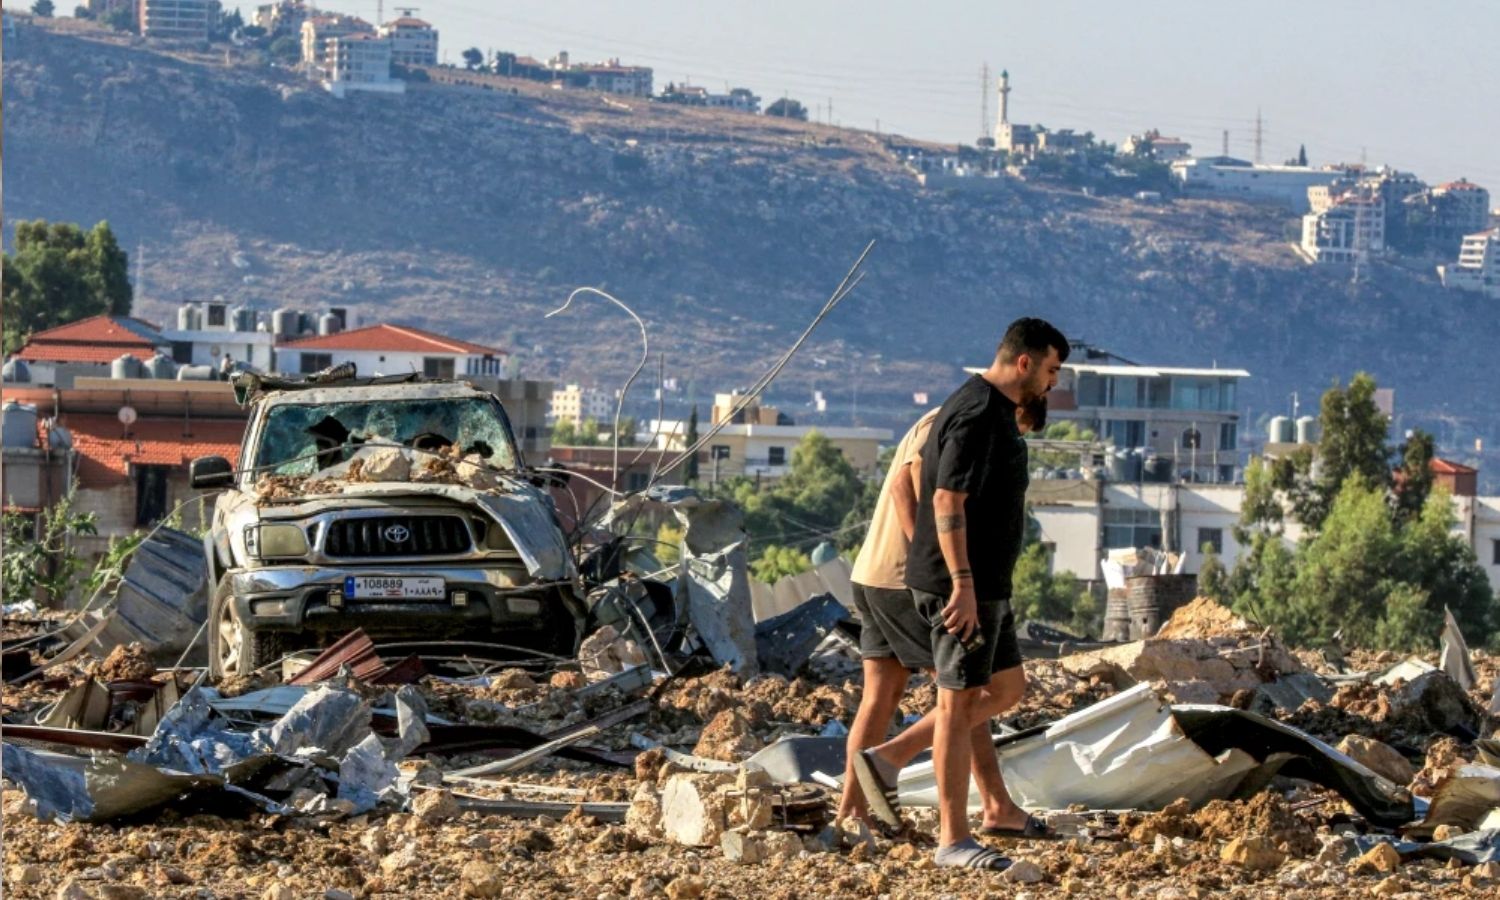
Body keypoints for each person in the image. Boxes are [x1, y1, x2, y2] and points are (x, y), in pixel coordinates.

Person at [861, 318, 1067, 871]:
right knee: (955, 707)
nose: (1053, 383)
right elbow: (946, 501)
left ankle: (890, 757)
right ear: (1024, 362)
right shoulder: (976, 412)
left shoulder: (993, 412)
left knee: (1005, 688)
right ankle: (953, 840)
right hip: (960, 587)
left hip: (986, 587)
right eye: (1051, 370)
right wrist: (963, 584)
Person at [839, 397, 1047, 829]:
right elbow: (905, 487)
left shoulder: (941, 416)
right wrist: (934, 568)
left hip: (874, 571)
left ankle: (852, 814)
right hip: (904, 578)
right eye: (1019, 430)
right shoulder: (963, 423)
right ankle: (987, 803)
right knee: (964, 693)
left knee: (881, 697)